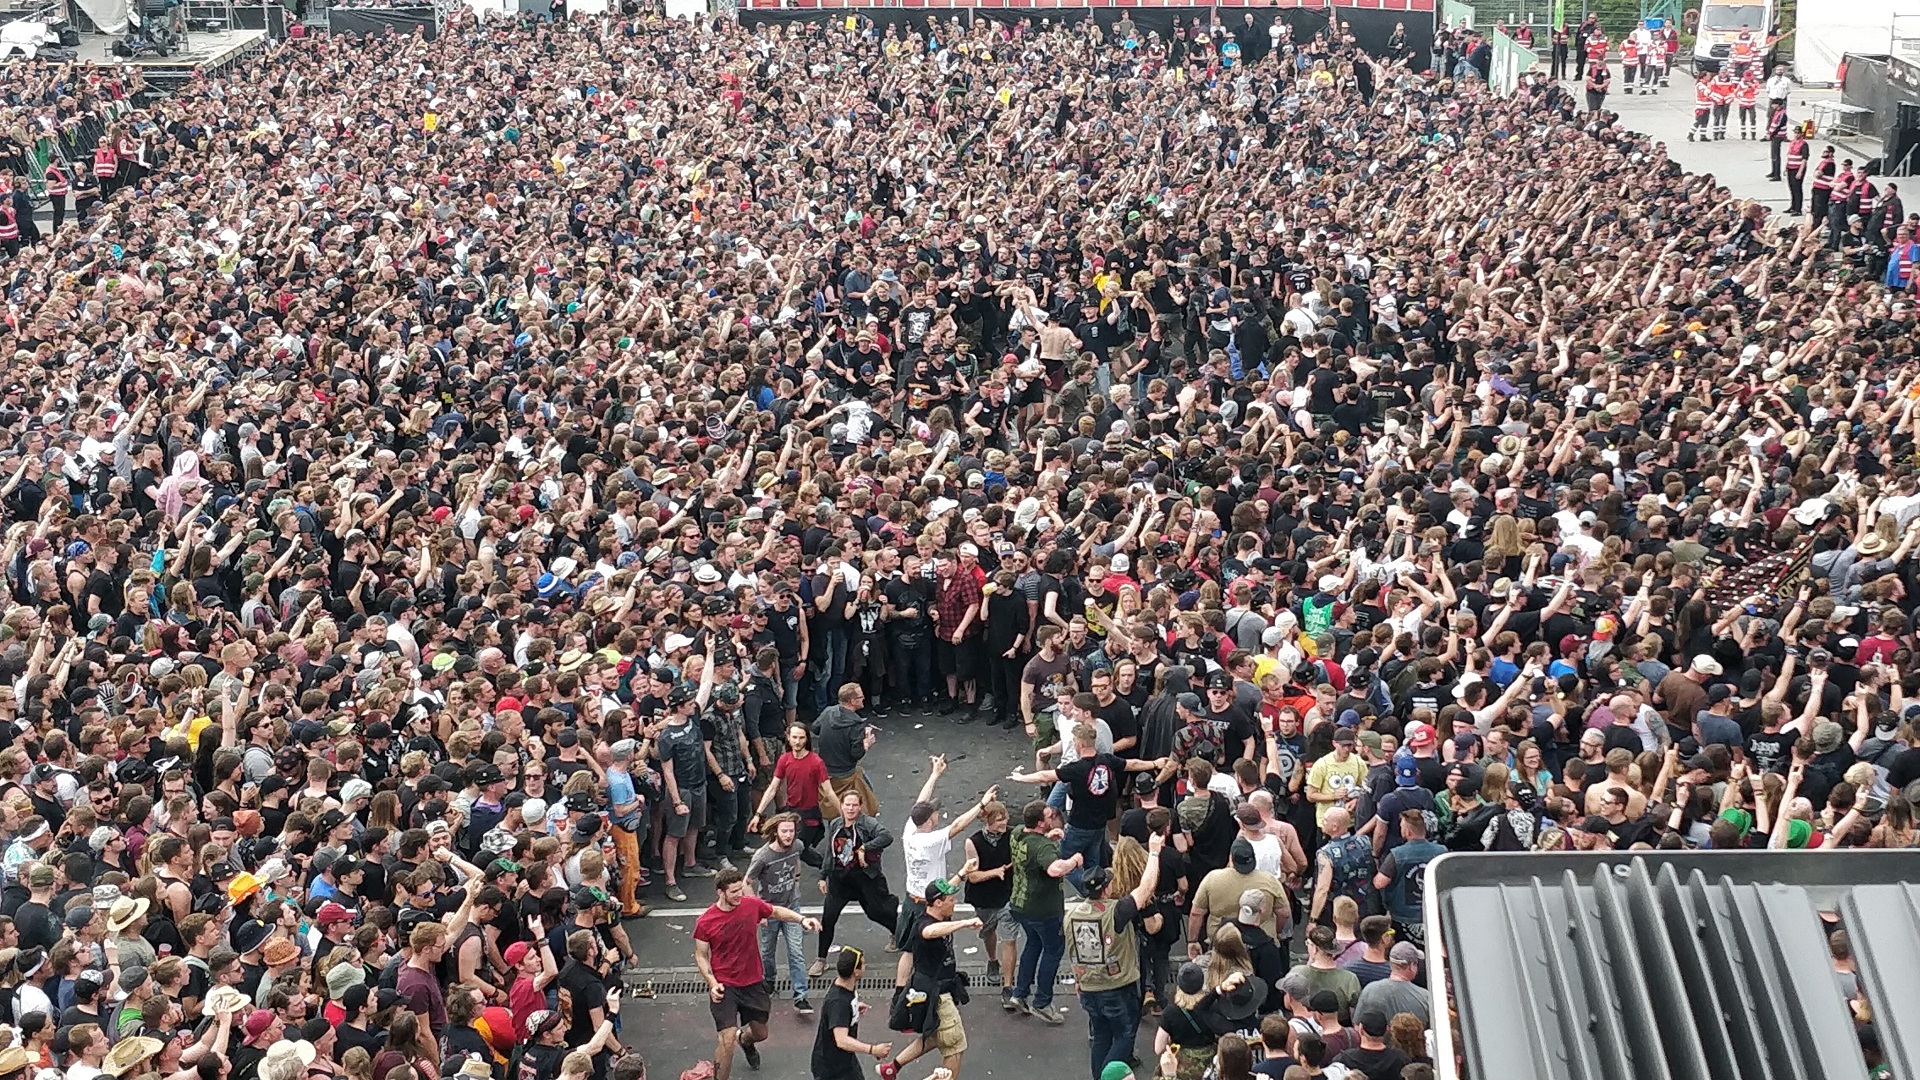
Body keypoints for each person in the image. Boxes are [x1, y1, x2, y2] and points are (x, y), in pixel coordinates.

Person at [692, 867, 822, 1080]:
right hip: (725, 985)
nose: (739, 896)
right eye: (733, 892)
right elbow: (701, 955)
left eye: (740, 890)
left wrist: (801, 919)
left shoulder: (750, 905)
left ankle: (746, 1040)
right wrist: (712, 982)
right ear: (720, 892)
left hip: (752, 982)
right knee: (726, 1041)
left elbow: (776, 911)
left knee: (761, 1034)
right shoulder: (706, 922)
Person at [1066, 832, 1166, 1079]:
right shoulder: (1117, 911)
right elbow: (1146, 888)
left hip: (1089, 986)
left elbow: (1073, 951)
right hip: (1118, 985)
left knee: (1100, 1036)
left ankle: (1098, 1074)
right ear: (1106, 888)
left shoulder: (1071, 915)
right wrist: (1153, 852)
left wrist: (1078, 981)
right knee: (1124, 1034)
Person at [876, 878, 979, 1080]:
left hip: (938, 988)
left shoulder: (939, 909)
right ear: (938, 903)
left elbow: (944, 891)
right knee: (954, 1045)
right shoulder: (924, 924)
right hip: (938, 995)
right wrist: (965, 923)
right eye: (951, 899)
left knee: (934, 1036)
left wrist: (964, 871)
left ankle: (892, 1067)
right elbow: (929, 932)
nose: (955, 902)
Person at [744, 813, 824, 1014]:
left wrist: (796, 880)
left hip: (791, 906)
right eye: (784, 831)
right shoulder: (763, 856)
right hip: (769, 909)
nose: (789, 835)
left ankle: (801, 996)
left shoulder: (797, 846)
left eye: (791, 831)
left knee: (796, 951)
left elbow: (796, 860)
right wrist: (757, 910)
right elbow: (747, 882)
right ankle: (769, 980)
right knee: (767, 951)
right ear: (775, 832)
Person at [817, 791, 900, 974]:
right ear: (841, 805)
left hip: (865, 878)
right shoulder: (835, 824)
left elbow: (886, 837)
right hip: (840, 880)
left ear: (860, 806)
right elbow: (830, 853)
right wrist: (823, 876)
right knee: (828, 918)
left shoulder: (868, 823)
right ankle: (821, 959)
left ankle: (899, 933)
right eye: (847, 805)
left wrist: (865, 847)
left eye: (854, 805)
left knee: (877, 912)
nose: (851, 809)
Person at [811, 947, 891, 1080]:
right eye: (863, 964)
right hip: (832, 1069)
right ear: (856, 972)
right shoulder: (838, 1002)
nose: (865, 967)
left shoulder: (844, 986)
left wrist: (853, 1009)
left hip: (844, 1061)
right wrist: (873, 1050)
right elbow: (841, 1040)